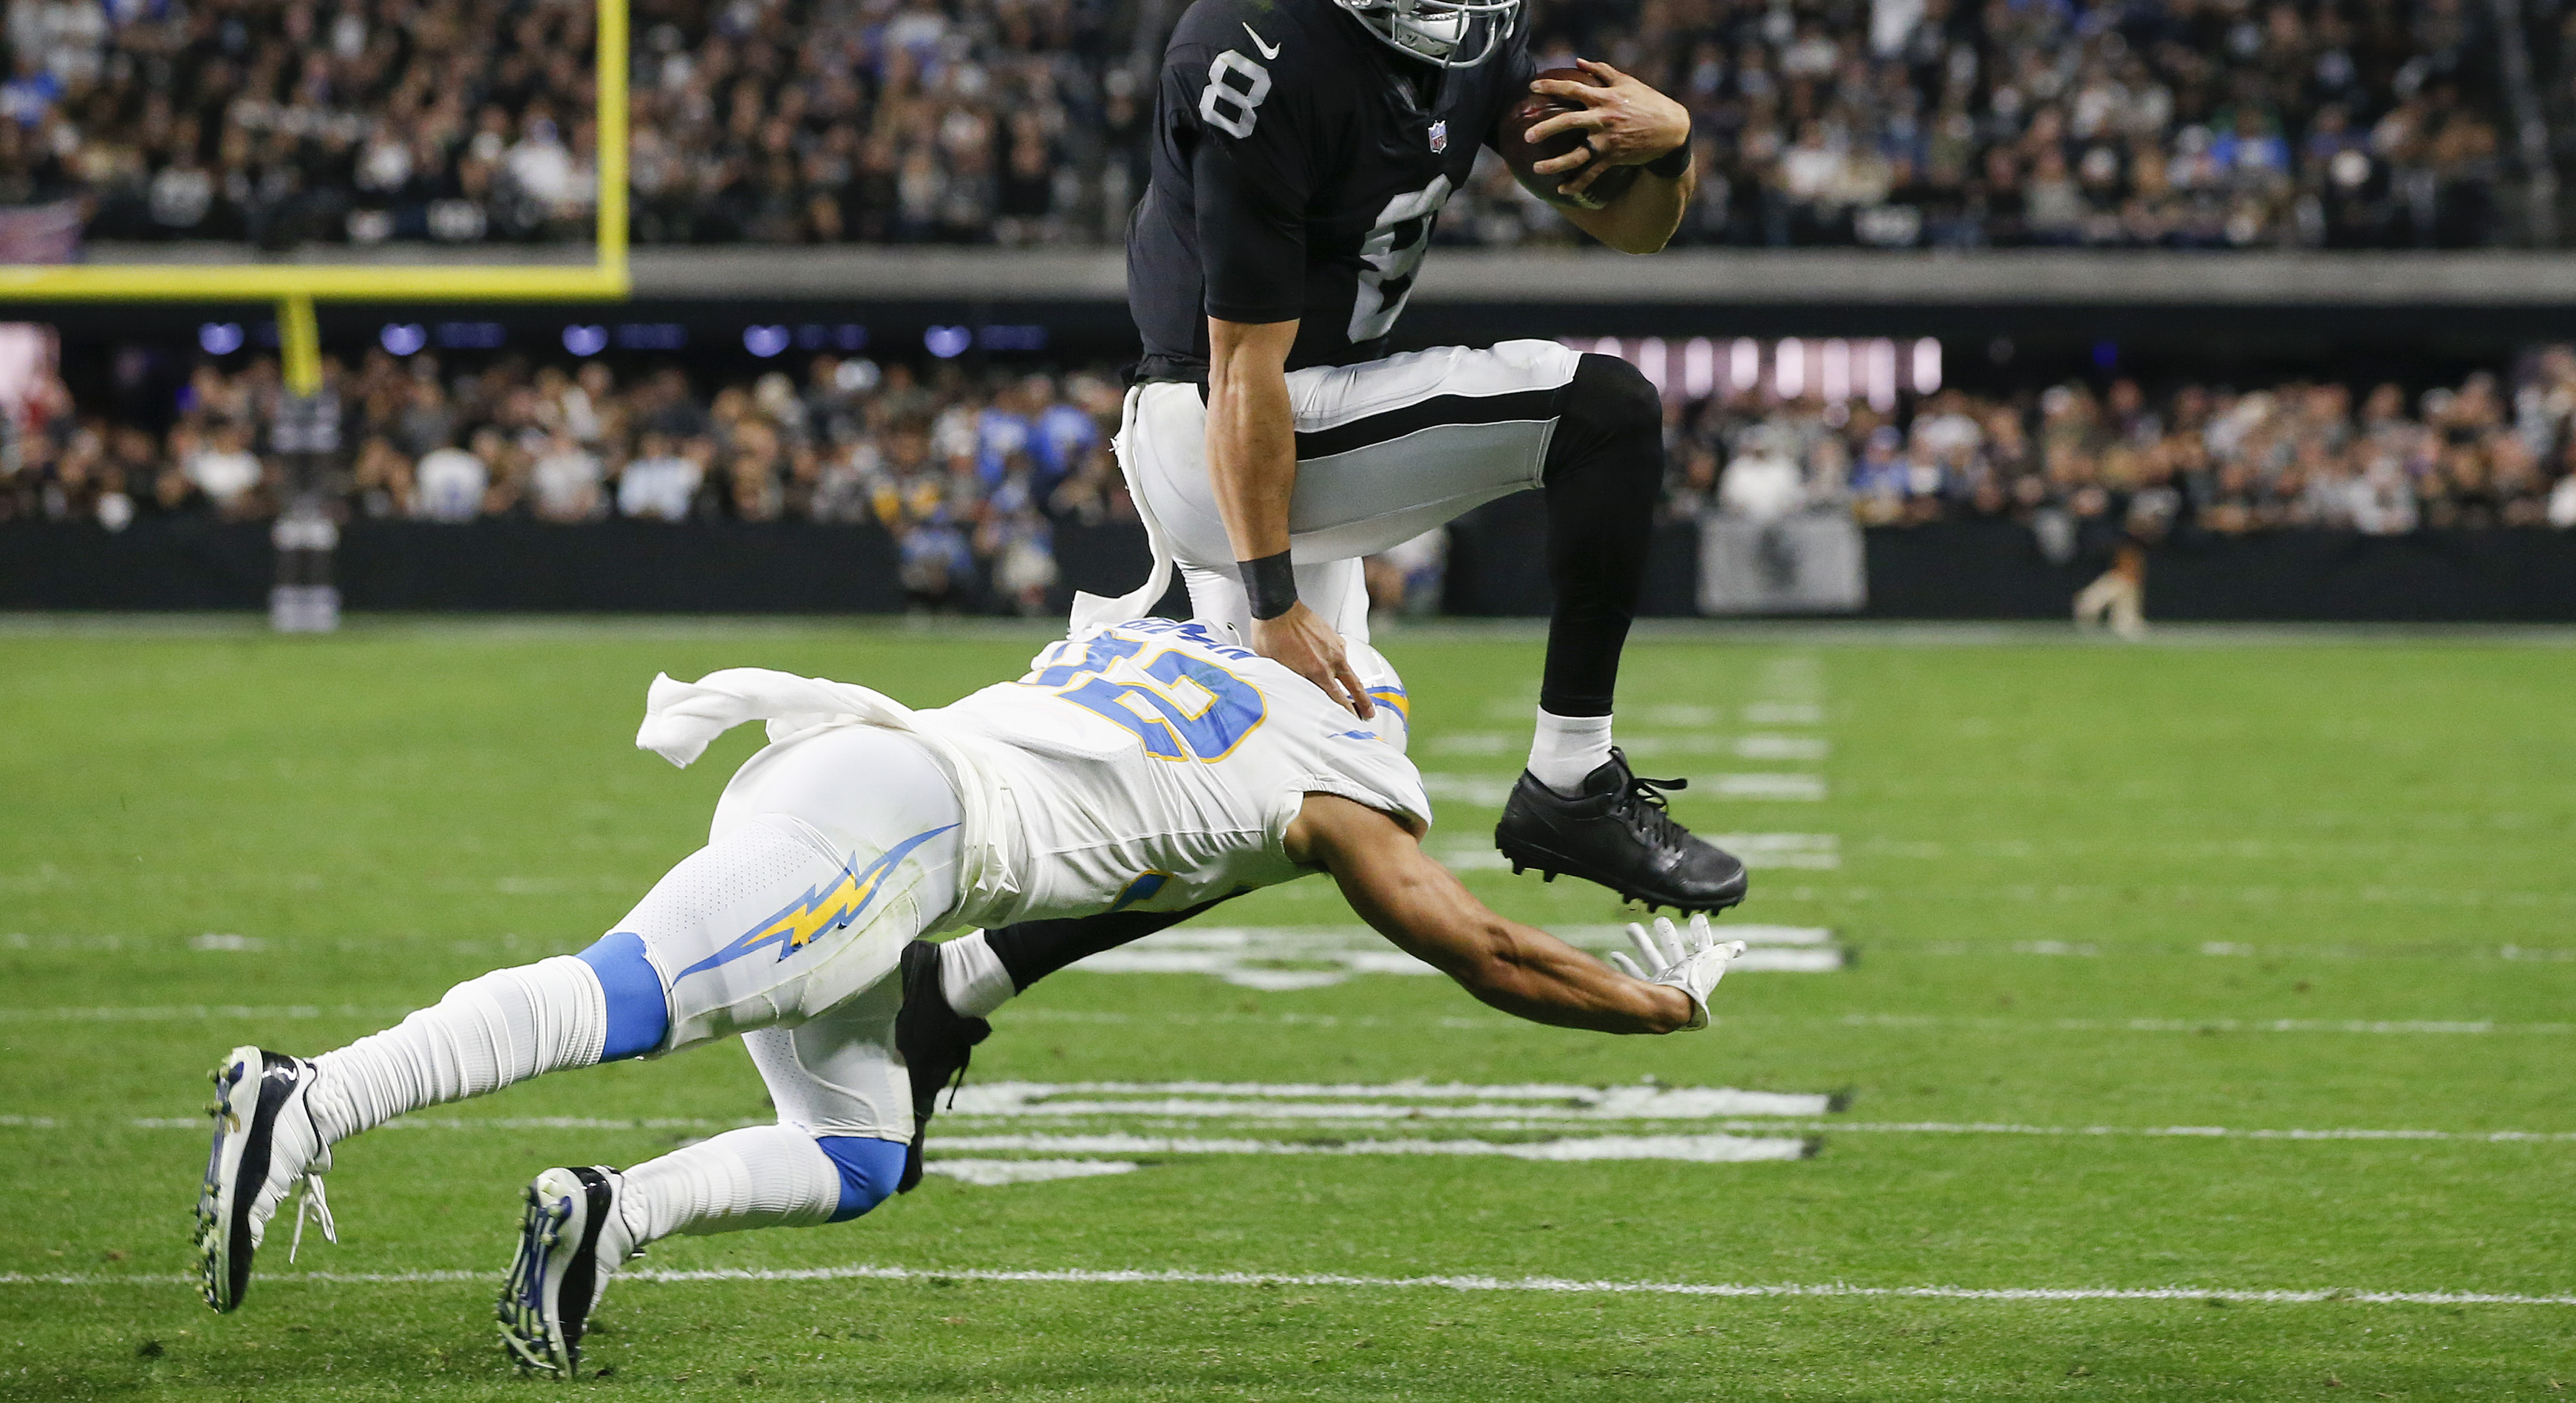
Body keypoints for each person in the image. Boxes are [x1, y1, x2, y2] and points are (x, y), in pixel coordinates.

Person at [191, 618, 1743, 1379]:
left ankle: (607, 1217)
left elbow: (1117, 859)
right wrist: (1657, 1009)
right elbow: (1484, 948)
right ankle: (310, 1097)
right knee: (628, 994)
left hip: (876, 788)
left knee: (862, 1147)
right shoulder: (1335, 784)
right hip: (900, 837)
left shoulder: (1162, 646)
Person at [1096, 0, 1742, 921]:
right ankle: (1571, 777)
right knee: (1604, 409)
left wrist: (1675, 143)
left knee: (1302, 805)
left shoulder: (1478, 37)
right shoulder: (1250, 56)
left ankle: (960, 981)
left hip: (1301, 426)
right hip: (1223, 429)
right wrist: (1270, 598)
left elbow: (1635, 230)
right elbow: (1244, 364)